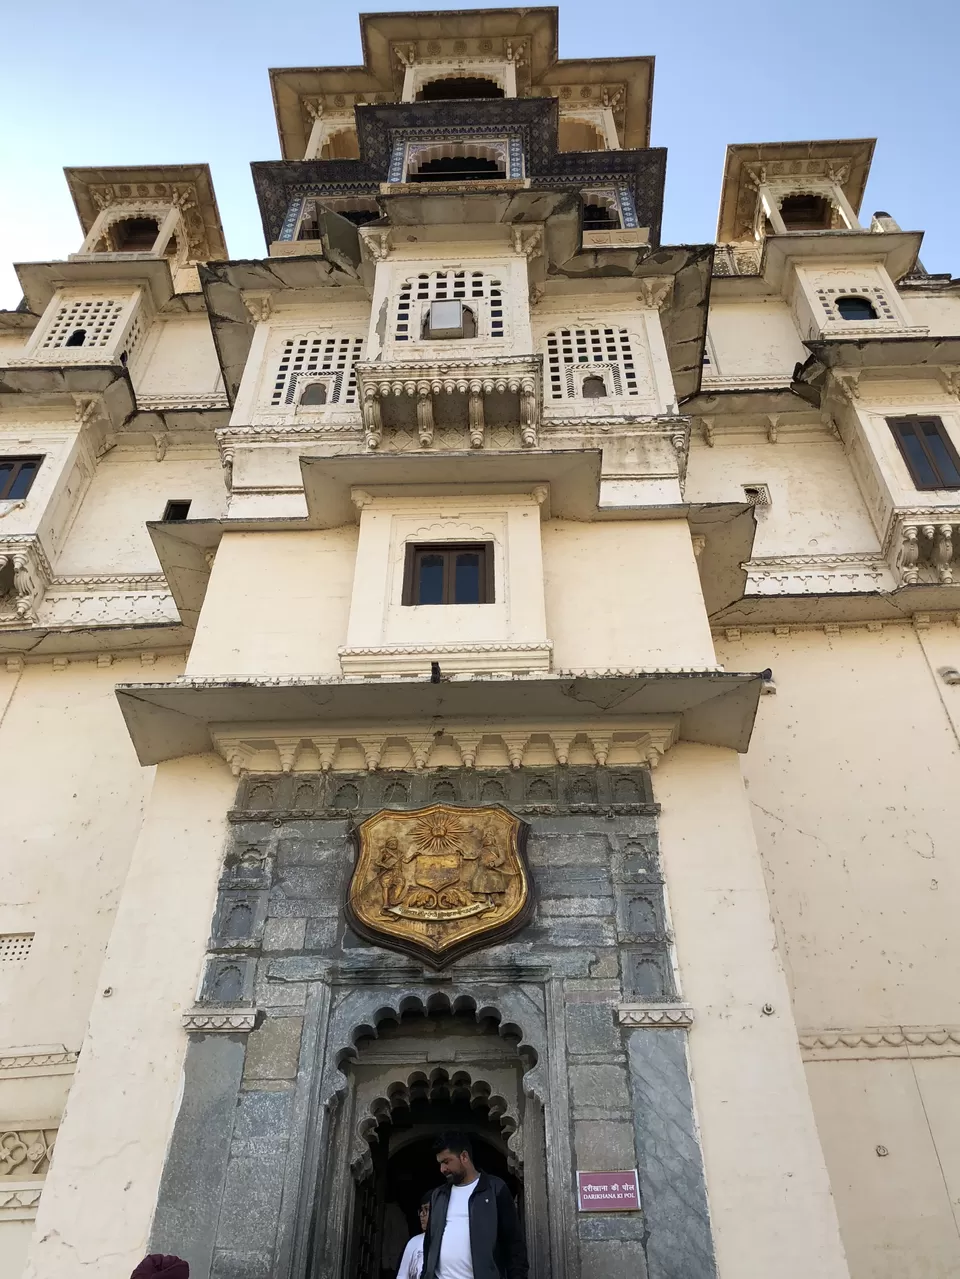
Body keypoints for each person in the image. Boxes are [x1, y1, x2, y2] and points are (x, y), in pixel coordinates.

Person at [421, 1132, 528, 1279]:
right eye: (440, 1163)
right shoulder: (438, 1195)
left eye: (446, 1162)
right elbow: (429, 1245)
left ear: (464, 1157)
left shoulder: (494, 1189)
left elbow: (514, 1246)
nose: (442, 1169)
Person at [396, 1193, 431, 1279]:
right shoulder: (414, 1242)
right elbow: (402, 1276)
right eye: (421, 1210)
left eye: (426, 1209)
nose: (422, 1214)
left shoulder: (449, 1242)